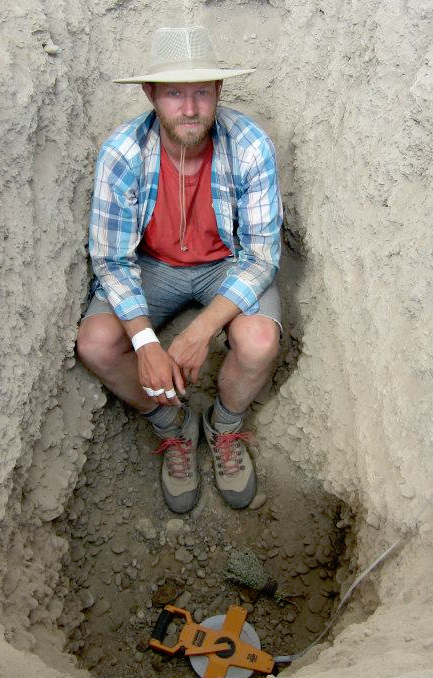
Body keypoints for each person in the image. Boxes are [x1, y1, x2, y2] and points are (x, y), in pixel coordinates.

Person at [77, 25, 283, 514]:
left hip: (227, 264)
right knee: (96, 344)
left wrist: (201, 331)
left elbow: (260, 255)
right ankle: (173, 425)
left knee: (259, 342)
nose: (189, 109)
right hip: (154, 265)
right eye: (174, 93)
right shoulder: (123, 153)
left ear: (218, 93)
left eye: (201, 93)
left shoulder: (249, 144)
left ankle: (224, 426)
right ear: (151, 95)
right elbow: (111, 258)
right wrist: (147, 342)